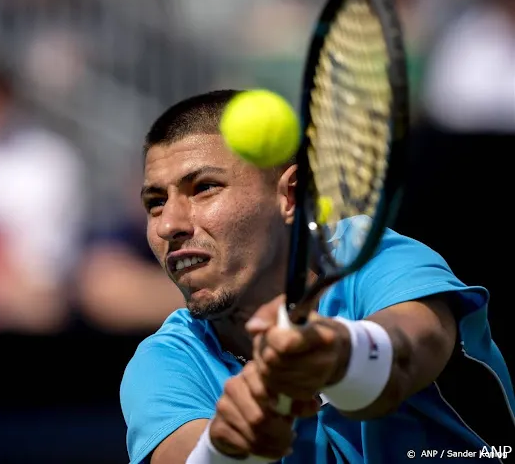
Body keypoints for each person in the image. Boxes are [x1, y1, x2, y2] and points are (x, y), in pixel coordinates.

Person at [120, 90, 514, 463]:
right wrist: (227, 447)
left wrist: (338, 355)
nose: (168, 224)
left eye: (204, 188)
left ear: (289, 196)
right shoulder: (164, 360)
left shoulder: (372, 257)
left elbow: (412, 346)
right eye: (155, 203)